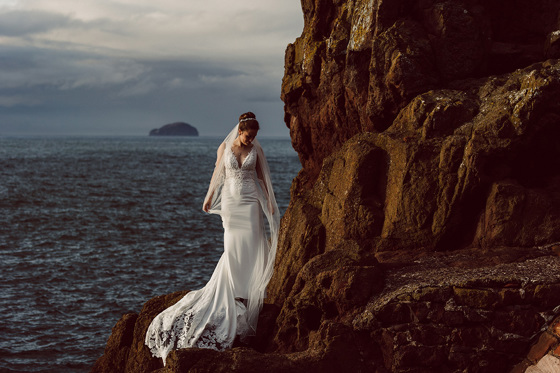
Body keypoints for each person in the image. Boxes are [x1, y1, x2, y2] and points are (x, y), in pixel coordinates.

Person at [144, 112, 280, 365]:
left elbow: (262, 177)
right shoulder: (224, 147)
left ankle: (246, 290)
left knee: (251, 243)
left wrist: (269, 203)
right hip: (230, 204)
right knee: (232, 246)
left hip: (250, 202)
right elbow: (218, 174)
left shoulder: (256, 150)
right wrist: (208, 198)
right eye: (249, 136)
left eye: (255, 137)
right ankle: (233, 289)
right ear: (240, 131)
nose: (252, 140)